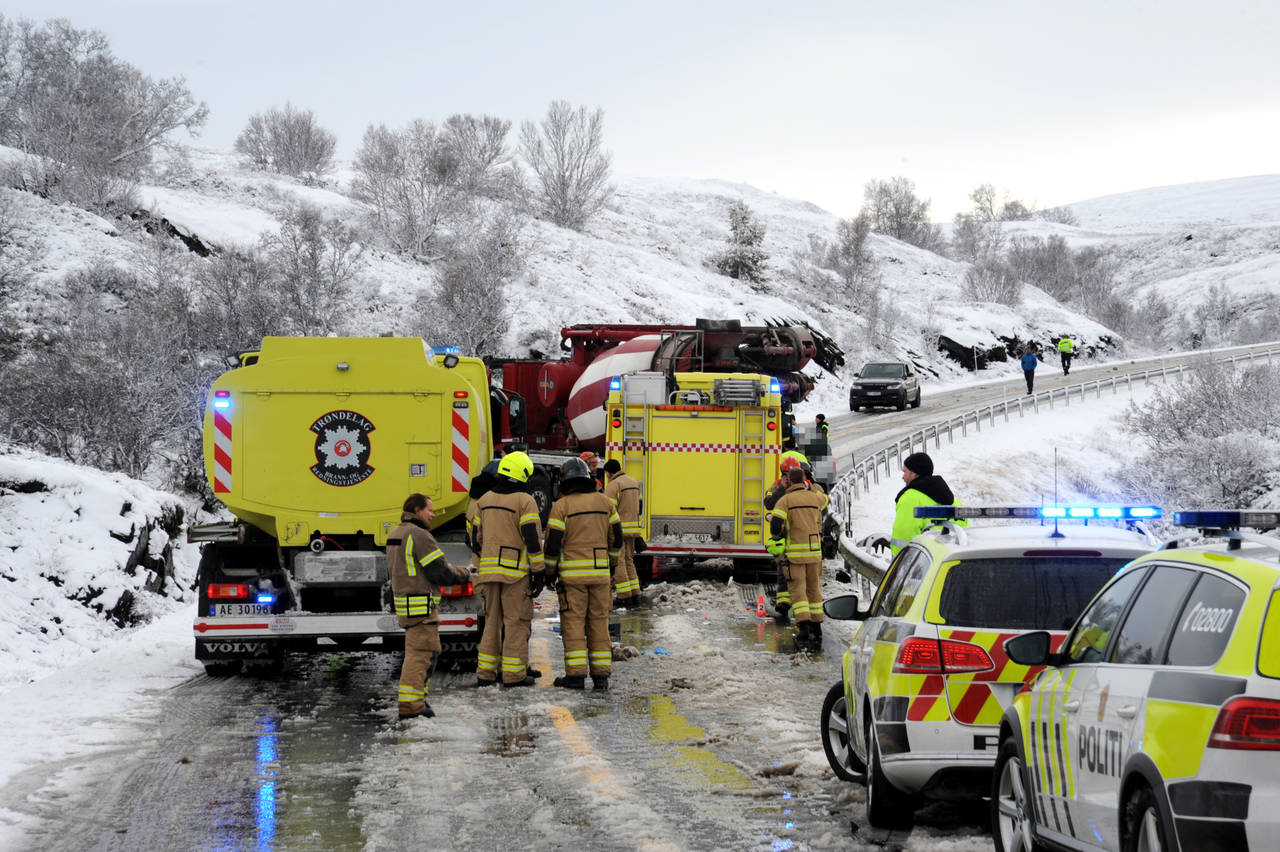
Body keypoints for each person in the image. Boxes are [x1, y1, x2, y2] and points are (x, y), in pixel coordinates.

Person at [386, 493, 472, 719]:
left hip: (408, 606)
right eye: (430, 510)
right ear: (416, 510)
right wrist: (465, 574)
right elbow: (440, 572)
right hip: (421, 607)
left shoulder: (396, 533)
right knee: (420, 654)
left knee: (427, 651)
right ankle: (411, 706)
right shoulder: (419, 535)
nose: (433, 514)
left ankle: (418, 701)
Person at [544, 457, 624, 690]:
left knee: (574, 624)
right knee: (599, 623)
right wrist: (611, 566)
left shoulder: (562, 506)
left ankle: (576, 677)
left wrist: (550, 572)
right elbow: (616, 538)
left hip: (573, 579)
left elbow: (553, 544)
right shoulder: (605, 503)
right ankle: (601, 677)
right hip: (600, 576)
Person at [471, 451, 545, 687]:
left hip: (488, 572)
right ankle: (514, 675)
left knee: (492, 621)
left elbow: (475, 538)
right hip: (515, 574)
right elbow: (532, 538)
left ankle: (486, 673)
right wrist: (539, 569)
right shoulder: (525, 501)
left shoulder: (484, 500)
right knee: (516, 622)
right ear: (522, 474)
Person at [766, 467, 829, 649]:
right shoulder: (815, 497)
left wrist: (777, 539)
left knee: (797, 590)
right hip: (814, 553)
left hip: (795, 555)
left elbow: (776, 525)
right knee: (814, 590)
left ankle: (803, 628)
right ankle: (816, 627)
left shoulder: (785, 501)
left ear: (790, 481)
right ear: (804, 480)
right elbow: (826, 499)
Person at [889, 452, 964, 556]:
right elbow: (965, 530)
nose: (903, 477)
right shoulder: (952, 500)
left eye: (905, 472)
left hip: (925, 565)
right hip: (953, 562)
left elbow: (903, 535)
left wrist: (900, 565)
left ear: (914, 473)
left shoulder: (910, 498)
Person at [602, 458, 643, 608]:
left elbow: (609, 511)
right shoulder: (633, 482)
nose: (607, 476)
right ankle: (635, 593)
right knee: (629, 561)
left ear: (609, 472)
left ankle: (624, 596)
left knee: (619, 563)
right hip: (633, 530)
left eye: (606, 474)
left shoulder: (613, 486)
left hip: (619, 530)